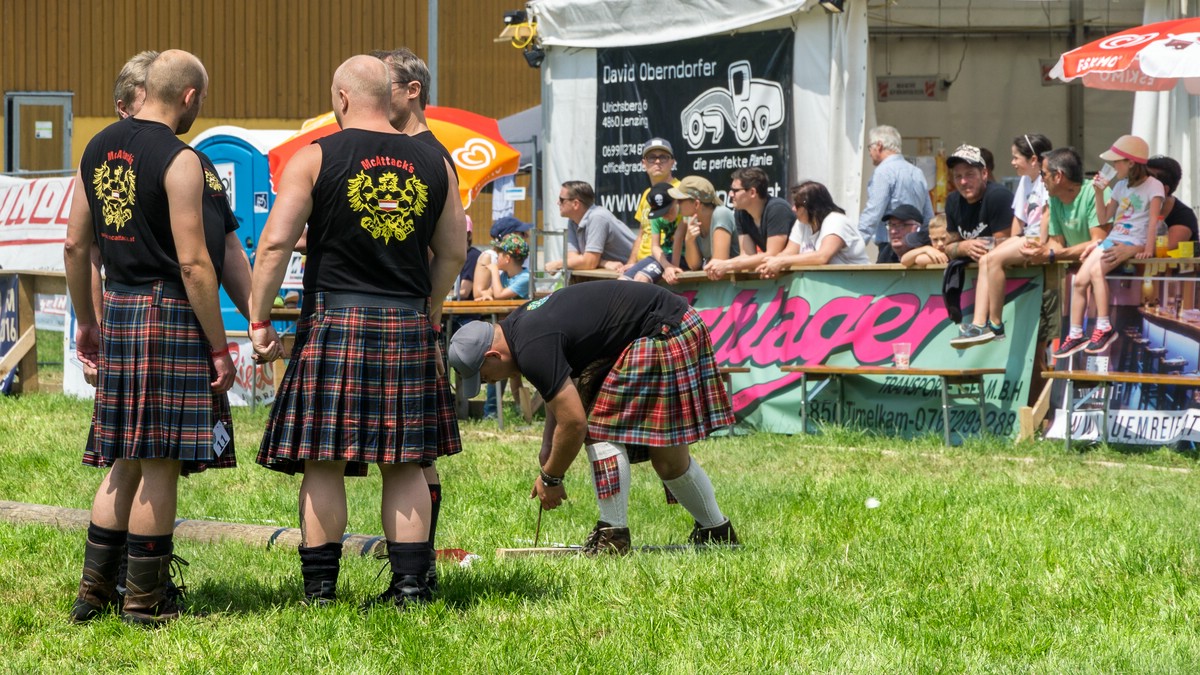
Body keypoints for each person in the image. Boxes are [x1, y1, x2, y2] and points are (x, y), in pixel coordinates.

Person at [248, 55, 466, 608]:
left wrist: (258, 315)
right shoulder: (435, 161)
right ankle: (411, 587)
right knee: (405, 459)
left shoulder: (317, 156)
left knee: (323, 459)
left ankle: (321, 592)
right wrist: (430, 308)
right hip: (406, 318)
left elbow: (275, 244)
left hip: (335, 318)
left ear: (341, 98)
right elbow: (454, 252)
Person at [65, 50, 250, 626]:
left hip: (119, 308)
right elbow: (196, 264)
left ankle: (93, 595)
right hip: (167, 312)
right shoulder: (181, 159)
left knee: (124, 459)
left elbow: (75, 247)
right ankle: (144, 602)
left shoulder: (96, 150)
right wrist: (221, 346)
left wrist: (88, 322)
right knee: (160, 462)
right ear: (189, 97)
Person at [448, 281, 738, 554]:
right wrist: (548, 444)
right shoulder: (518, 328)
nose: (489, 382)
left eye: (485, 376)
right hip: (675, 323)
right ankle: (718, 531)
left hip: (664, 330)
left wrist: (550, 477)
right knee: (667, 459)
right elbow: (562, 388)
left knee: (599, 428)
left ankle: (613, 535)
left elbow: (574, 423)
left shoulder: (530, 347)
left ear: (493, 355)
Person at [1054, 135, 1163, 358]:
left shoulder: (1154, 185)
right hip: (1113, 239)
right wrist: (1098, 191)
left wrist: (1146, 248)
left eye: (1117, 162)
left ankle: (1103, 326)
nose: (1113, 167)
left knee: (1094, 272)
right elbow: (1104, 218)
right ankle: (1076, 332)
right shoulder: (1121, 186)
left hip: (1132, 241)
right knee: (1079, 280)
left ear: (1131, 162)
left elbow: (1153, 220)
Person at [951, 133, 1053, 348]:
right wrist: (1010, 242)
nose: (1012, 162)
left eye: (1016, 157)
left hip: (1036, 239)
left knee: (994, 260)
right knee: (987, 259)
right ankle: (979, 324)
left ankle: (995, 323)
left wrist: (1041, 244)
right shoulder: (1026, 181)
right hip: (1024, 236)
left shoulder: (1046, 181)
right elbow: (1019, 219)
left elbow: (1046, 215)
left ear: (1033, 160)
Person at [758, 181, 870, 277]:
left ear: (811, 207)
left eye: (797, 205)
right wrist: (771, 263)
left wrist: (781, 262)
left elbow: (822, 257)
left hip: (857, 284)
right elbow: (788, 252)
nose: (793, 208)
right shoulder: (801, 223)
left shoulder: (836, 220)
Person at [857, 125, 934, 263]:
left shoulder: (883, 172)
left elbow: (873, 213)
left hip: (891, 245)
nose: (869, 152)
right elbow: (928, 216)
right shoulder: (917, 172)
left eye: (870, 147)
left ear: (879, 145)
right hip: (915, 246)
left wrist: (854, 247)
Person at [704, 167, 792, 279]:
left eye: (735, 191)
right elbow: (747, 255)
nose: (730, 194)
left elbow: (772, 254)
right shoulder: (741, 213)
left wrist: (727, 264)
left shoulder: (778, 209)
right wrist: (717, 263)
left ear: (752, 192)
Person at [941, 144, 1014, 262]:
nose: (963, 182)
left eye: (969, 174)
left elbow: (1004, 246)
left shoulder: (998, 196)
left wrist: (966, 247)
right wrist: (963, 247)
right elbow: (948, 247)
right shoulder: (952, 201)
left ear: (984, 174)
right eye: (958, 176)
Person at [544, 181, 635, 273]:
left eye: (562, 199)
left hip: (637, 269)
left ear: (576, 204)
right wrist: (603, 262)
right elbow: (572, 257)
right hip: (617, 271)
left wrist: (558, 264)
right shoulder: (573, 220)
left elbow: (589, 263)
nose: (558, 202)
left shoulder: (598, 217)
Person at [624, 137, 680, 269]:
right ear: (644, 163)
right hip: (642, 262)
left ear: (672, 162)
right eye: (651, 157)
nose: (657, 161)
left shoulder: (680, 191)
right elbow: (642, 233)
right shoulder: (646, 194)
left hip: (664, 259)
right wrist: (631, 262)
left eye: (663, 157)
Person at [671, 175, 739, 284]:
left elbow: (718, 263)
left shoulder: (721, 214)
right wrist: (689, 240)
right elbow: (694, 265)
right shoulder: (692, 219)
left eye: (680, 200)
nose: (677, 204)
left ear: (697, 204)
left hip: (736, 284)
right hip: (719, 284)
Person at [621, 182, 678, 283]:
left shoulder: (684, 214)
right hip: (661, 256)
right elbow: (655, 247)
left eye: (668, 211)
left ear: (675, 201)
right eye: (661, 213)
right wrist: (667, 265)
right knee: (622, 280)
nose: (665, 216)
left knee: (641, 278)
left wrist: (670, 266)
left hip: (679, 257)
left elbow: (679, 241)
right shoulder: (655, 217)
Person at [473, 216, 531, 300]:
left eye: (499, 253)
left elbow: (499, 294)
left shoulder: (525, 277)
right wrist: (487, 295)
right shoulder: (504, 275)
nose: (526, 236)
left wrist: (494, 271)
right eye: (521, 233)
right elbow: (487, 292)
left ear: (507, 258)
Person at [1146, 155, 1197, 249]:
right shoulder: (1133, 208)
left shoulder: (1183, 216)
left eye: (1146, 184)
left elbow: (1163, 250)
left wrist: (1132, 250)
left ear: (1164, 190)